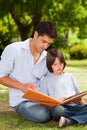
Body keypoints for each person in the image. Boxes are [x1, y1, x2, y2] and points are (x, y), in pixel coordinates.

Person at [0, 21, 57, 123]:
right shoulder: (13, 50)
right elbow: (1, 76)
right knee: (42, 115)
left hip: (41, 99)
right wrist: (22, 86)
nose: (45, 46)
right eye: (43, 41)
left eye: (49, 44)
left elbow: (53, 79)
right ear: (35, 34)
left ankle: (62, 113)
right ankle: (61, 113)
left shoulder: (47, 57)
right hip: (21, 101)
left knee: (60, 107)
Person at [39, 48, 87, 127]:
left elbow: (78, 96)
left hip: (73, 107)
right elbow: (44, 102)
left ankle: (70, 121)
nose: (59, 66)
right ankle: (79, 117)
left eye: (60, 63)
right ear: (50, 65)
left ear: (64, 63)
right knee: (58, 110)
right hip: (60, 108)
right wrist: (57, 101)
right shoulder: (46, 80)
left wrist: (83, 105)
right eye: (55, 64)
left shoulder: (70, 76)